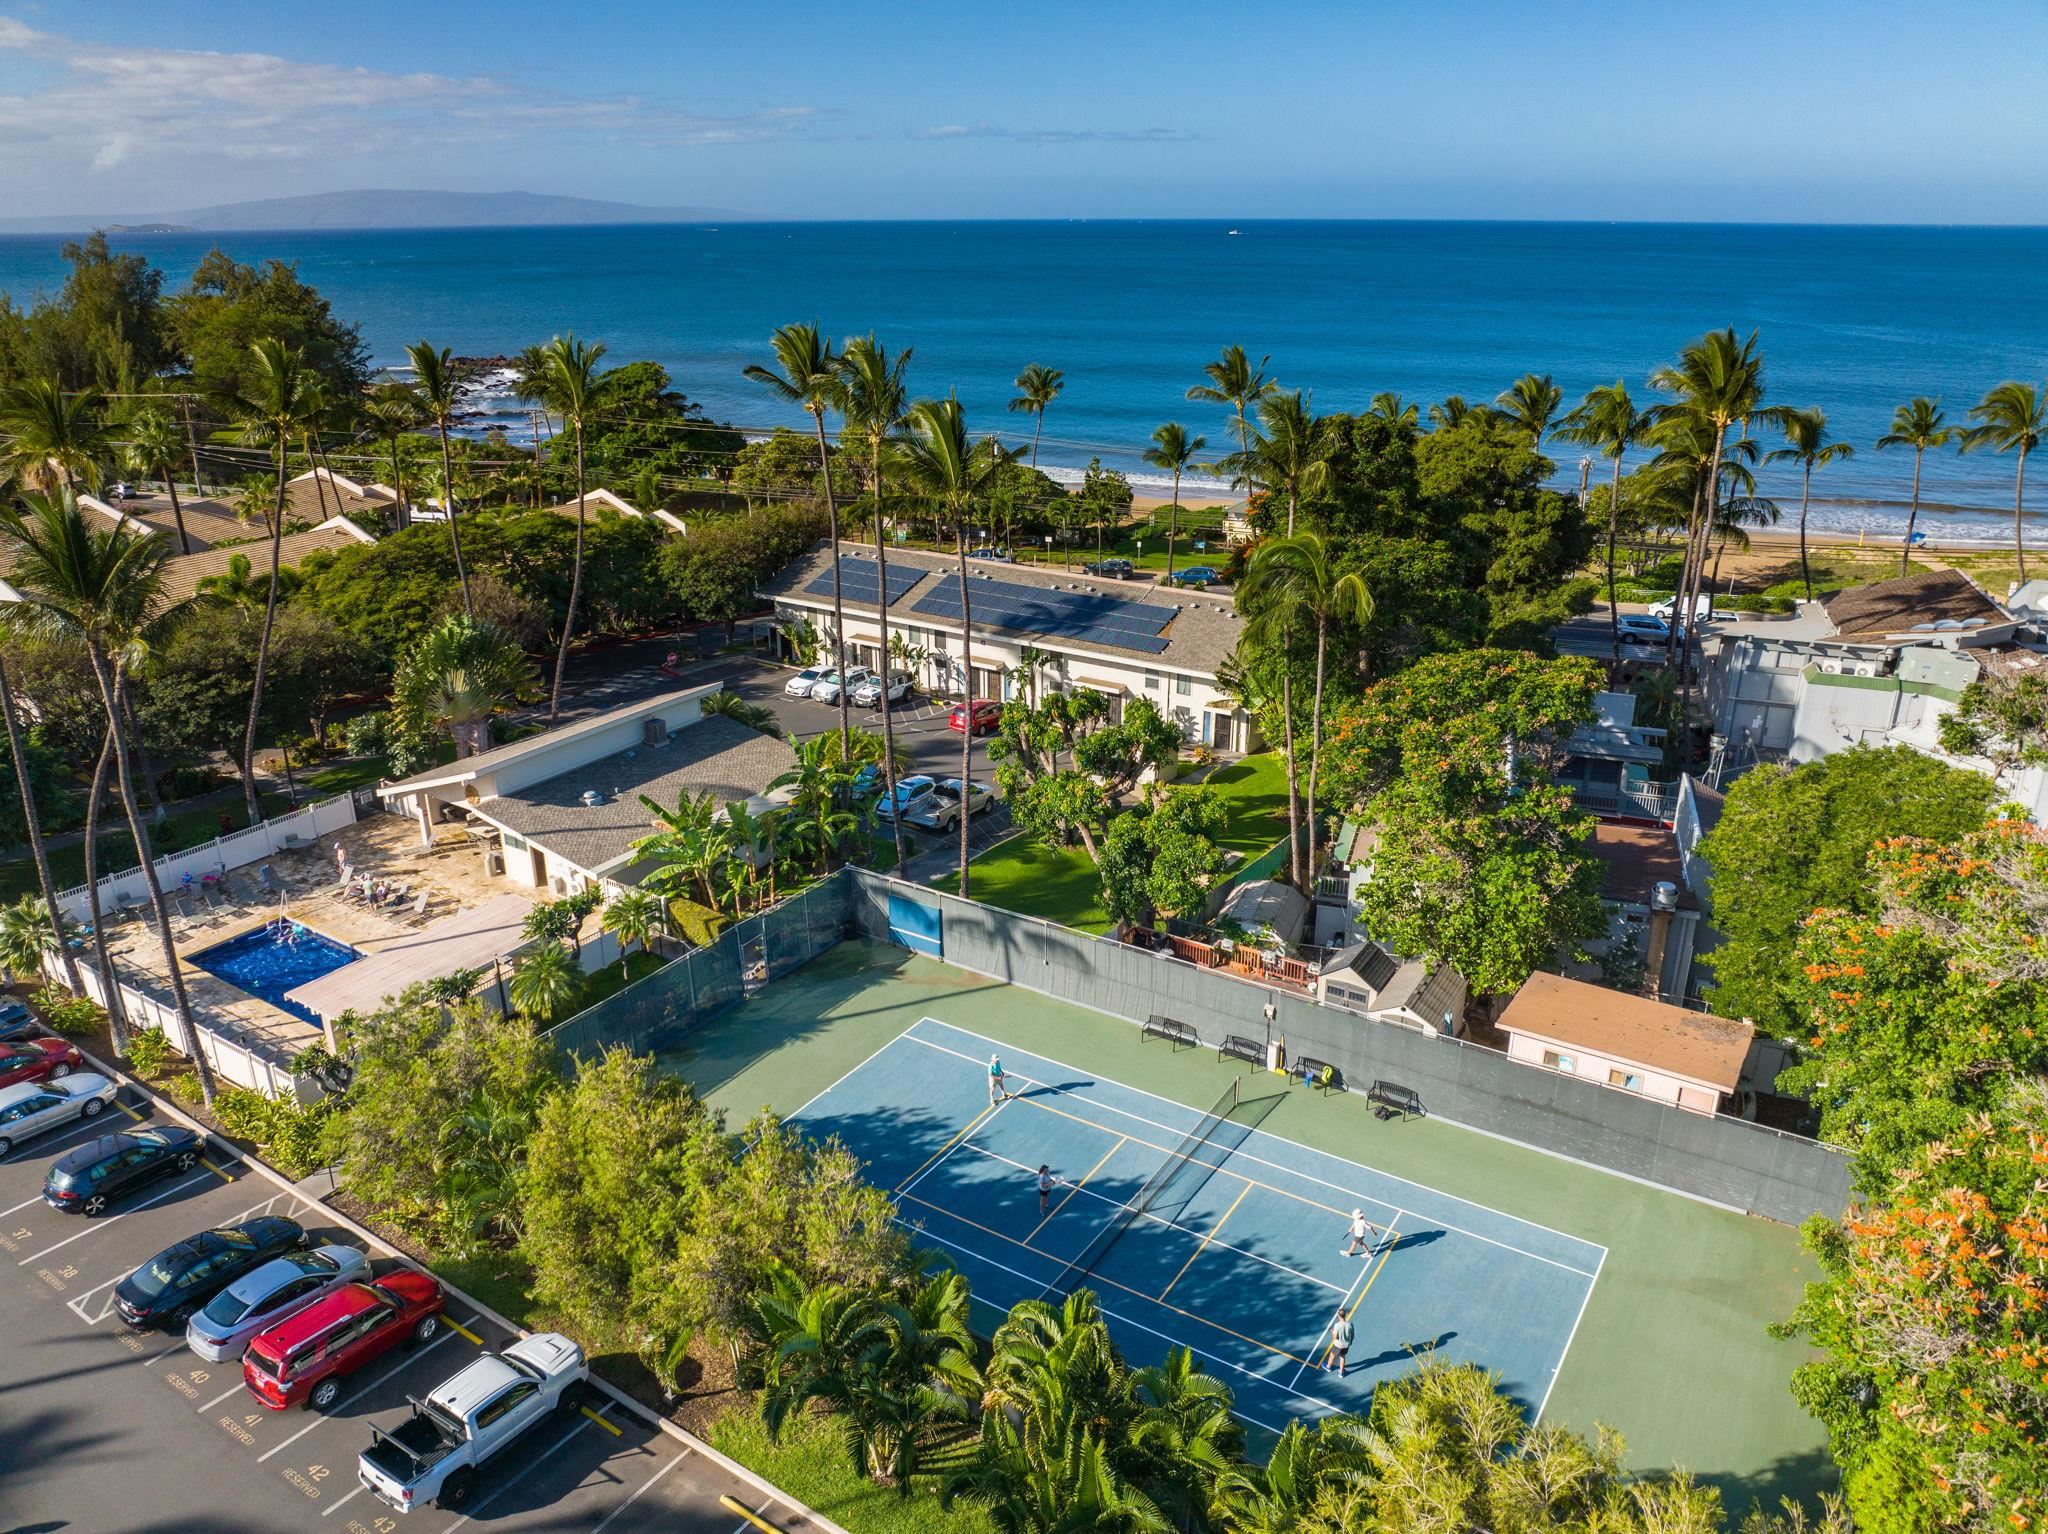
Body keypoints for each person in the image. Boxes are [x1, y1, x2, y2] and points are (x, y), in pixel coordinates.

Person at [1326, 1308, 1355, 1375]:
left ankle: (1328, 1367)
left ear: (1338, 1316)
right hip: (1346, 1345)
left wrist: (1333, 1332)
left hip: (1337, 1345)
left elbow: (1335, 1337)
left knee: (1332, 1355)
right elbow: (1353, 1334)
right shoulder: (1350, 1324)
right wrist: (1350, 1342)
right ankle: (1341, 1372)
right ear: (1345, 1315)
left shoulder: (1337, 1325)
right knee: (1342, 1357)